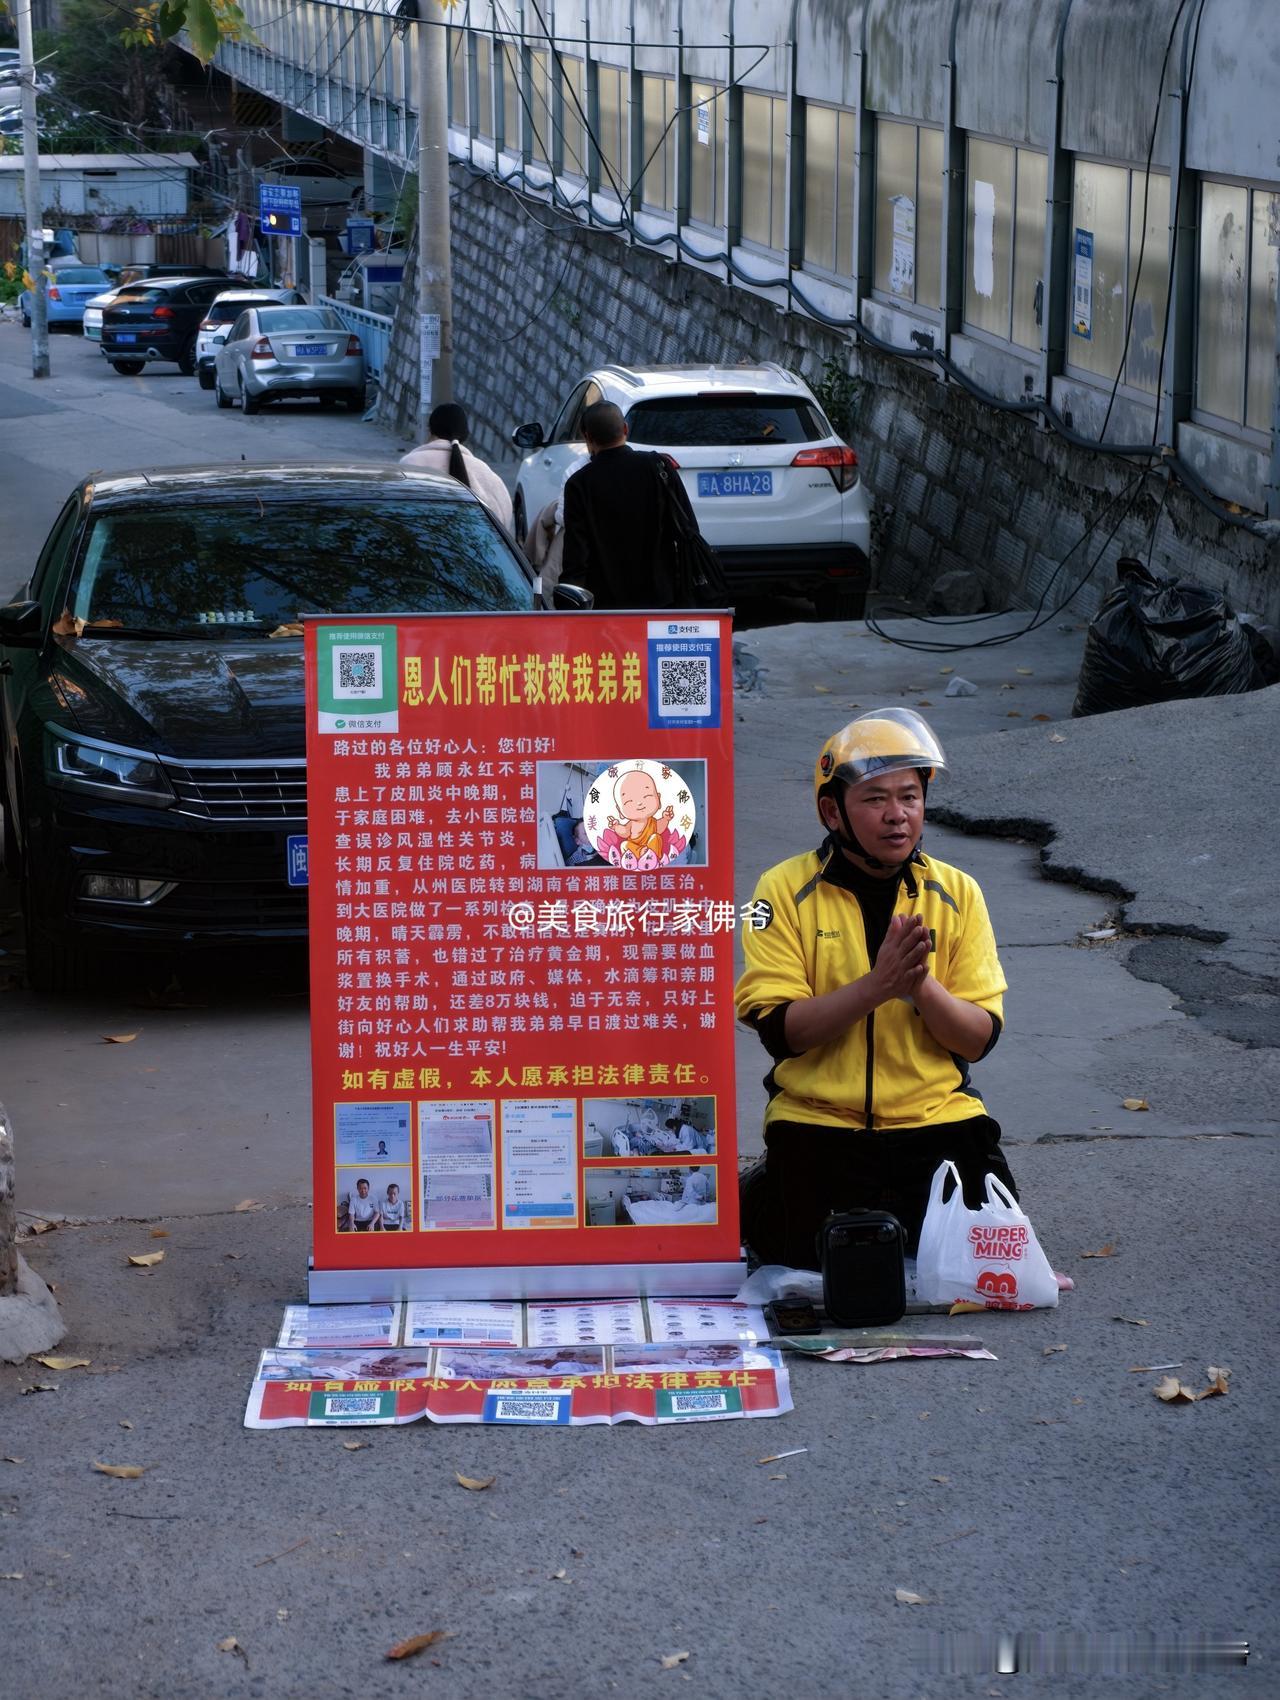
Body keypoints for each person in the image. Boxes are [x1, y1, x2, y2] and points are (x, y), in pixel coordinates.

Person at [733, 708, 1017, 1271]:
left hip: (937, 1120)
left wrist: (921, 989)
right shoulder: (780, 889)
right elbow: (782, 1034)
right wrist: (876, 986)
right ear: (831, 812)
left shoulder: (958, 891)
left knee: (984, 1265)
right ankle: (767, 1187)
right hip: (819, 1121)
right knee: (803, 1263)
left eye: (910, 797)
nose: (897, 816)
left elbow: (978, 1039)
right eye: (875, 799)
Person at [559, 400, 700, 608]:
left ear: (587, 437)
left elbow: (576, 555)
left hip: (606, 606)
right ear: (625, 429)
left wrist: (568, 604)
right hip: (661, 599)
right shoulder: (658, 467)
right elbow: (688, 528)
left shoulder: (579, 484)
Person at [400, 401, 514, 532]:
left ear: (430, 430)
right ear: (465, 434)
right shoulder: (485, 473)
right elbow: (503, 522)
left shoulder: (409, 465)